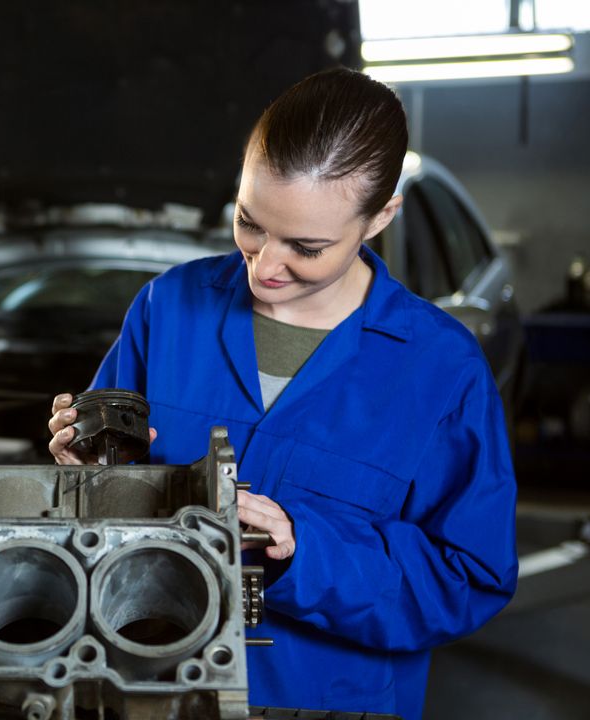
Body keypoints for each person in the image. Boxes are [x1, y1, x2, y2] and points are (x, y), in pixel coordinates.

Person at [47, 68, 517, 720]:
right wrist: (85, 470)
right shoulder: (168, 306)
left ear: (380, 217)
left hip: (323, 702)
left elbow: (467, 579)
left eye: (306, 246)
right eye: (249, 222)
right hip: (149, 686)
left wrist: (302, 549)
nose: (265, 266)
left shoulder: (442, 372)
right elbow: (105, 492)